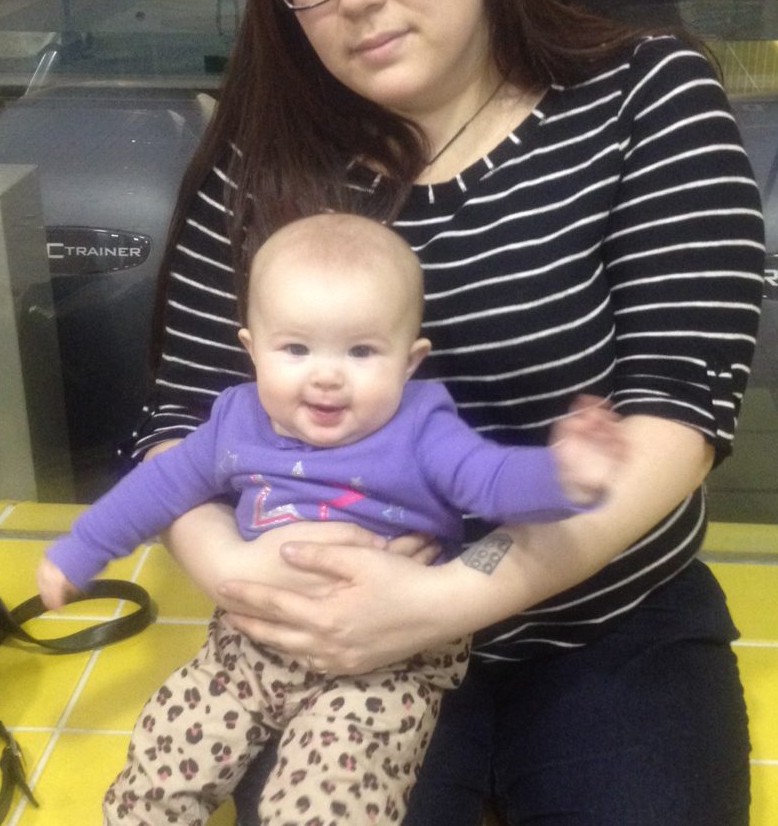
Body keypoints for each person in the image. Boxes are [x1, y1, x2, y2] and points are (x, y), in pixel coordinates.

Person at [131, 0, 766, 823]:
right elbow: (176, 421)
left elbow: (680, 403)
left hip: (607, 619)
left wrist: (442, 599)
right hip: (337, 639)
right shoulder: (261, 161)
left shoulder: (646, 98)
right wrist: (244, 578)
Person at [39, 212, 624, 825]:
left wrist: (563, 476)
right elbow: (157, 486)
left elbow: (493, 480)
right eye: (295, 349)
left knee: (329, 802)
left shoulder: (422, 428)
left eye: (361, 351)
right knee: (163, 763)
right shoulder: (236, 421)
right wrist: (80, 551)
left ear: (409, 362)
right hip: (249, 646)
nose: (326, 376)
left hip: (384, 664)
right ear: (253, 351)